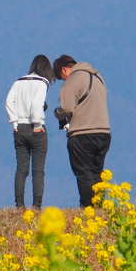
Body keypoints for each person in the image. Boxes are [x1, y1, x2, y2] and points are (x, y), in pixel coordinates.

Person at [52, 54, 111, 208]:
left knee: (83, 172)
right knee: (97, 172)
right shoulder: (98, 78)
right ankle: (100, 207)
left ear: (64, 69)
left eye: (61, 77)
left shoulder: (72, 81)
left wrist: (57, 113)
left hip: (82, 133)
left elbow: (66, 108)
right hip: (103, 132)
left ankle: (87, 207)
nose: (63, 80)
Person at [5, 55, 55, 209]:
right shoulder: (42, 83)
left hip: (19, 127)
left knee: (21, 169)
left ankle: (19, 205)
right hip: (35, 127)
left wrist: (14, 122)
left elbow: (8, 101)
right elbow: (36, 105)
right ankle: (36, 206)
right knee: (38, 171)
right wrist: (37, 124)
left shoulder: (18, 81)